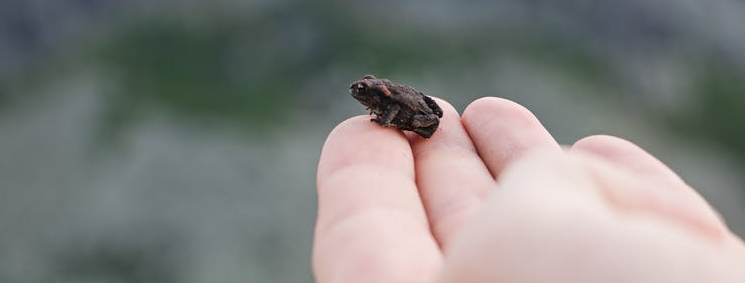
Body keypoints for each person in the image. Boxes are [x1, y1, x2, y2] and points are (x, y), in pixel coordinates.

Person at [312, 97, 745, 282]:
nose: (359, 94)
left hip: (420, 116)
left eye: (365, 90)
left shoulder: (387, 100)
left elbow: (407, 110)